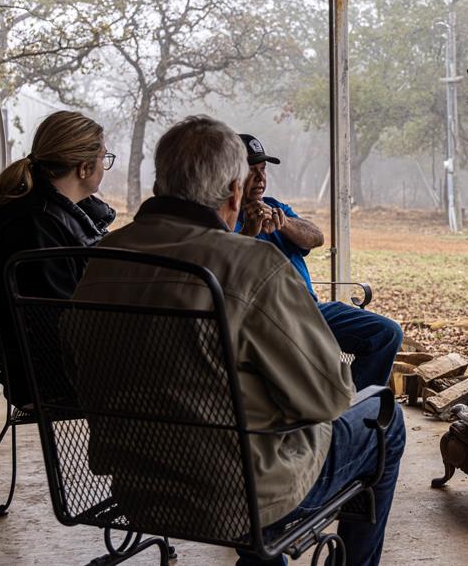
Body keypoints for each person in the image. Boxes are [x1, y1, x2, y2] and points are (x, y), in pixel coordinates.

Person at [71, 116, 404, 566]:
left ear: (159, 183)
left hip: (139, 487)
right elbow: (328, 396)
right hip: (239, 491)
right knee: (385, 418)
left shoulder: (102, 257)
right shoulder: (248, 264)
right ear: (234, 190)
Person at [236, 133, 403, 391]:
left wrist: (284, 224)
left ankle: (354, 406)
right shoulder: (226, 217)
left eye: (263, 169)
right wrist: (249, 231)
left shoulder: (274, 206)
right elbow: (223, 264)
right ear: (233, 174)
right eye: (251, 170)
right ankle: (340, 406)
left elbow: (316, 237)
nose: (260, 178)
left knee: (387, 333)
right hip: (268, 319)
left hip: (311, 310)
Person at [0, 110, 116, 408]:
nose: (105, 166)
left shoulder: (38, 213)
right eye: (104, 157)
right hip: (53, 380)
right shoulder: (37, 225)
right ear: (84, 168)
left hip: (41, 372)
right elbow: (57, 323)